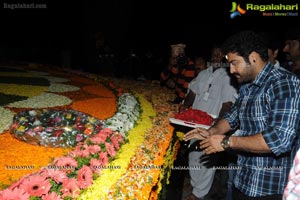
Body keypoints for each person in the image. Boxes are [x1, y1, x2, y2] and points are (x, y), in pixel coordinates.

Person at [183, 30, 300, 200]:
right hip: (243, 180)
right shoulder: (247, 86)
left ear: (253, 57)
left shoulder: (284, 83)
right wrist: (212, 132)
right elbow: (233, 116)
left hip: (268, 188)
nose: (230, 69)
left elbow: (279, 139)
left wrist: (226, 142)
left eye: (234, 63)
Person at [180, 45, 238, 200]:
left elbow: (227, 104)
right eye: (214, 54)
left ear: (225, 57)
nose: (216, 57)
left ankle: (199, 193)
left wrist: (218, 126)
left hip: (212, 126)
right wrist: (185, 106)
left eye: (219, 55)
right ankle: (194, 184)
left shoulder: (227, 77)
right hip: (195, 123)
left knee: (207, 159)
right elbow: (192, 91)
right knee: (193, 154)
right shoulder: (204, 74)